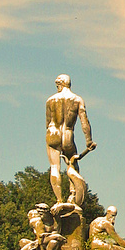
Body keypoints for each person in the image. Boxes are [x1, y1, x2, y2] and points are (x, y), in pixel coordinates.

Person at [46, 74, 96, 207]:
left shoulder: (50, 100)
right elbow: (84, 122)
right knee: (73, 165)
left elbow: (47, 123)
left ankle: (59, 200)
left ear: (60, 84)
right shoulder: (77, 99)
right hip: (67, 134)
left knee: (55, 167)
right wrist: (88, 141)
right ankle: (73, 195)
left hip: (52, 133)